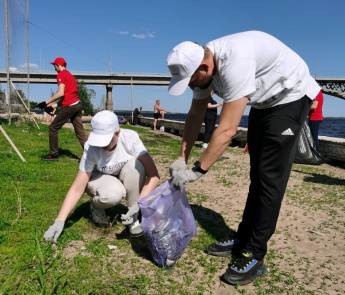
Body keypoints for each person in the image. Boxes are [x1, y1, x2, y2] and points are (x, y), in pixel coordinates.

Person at [166, 31, 320, 285]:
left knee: (269, 179)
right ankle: (243, 237)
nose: (191, 86)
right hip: (264, 103)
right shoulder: (204, 70)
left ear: (204, 67)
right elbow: (195, 115)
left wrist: (197, 169)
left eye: (191, 80)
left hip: (290, 95)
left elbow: (226, 131)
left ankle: (255, 252)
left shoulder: (235, 61)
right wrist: (182, 156)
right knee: (256, 176)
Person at [43, 110, 160, 243]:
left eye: (106, 141)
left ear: (117, 132)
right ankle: (96, 207)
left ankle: (132, 216)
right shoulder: (91, 148)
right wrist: (59, 221)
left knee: (136, 166)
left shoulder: (130, 138)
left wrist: (139, 204)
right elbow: (77, 188)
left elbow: (154, 175)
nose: (103, 146)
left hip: (122, 173)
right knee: (114, 193)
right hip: (99, 178)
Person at [36, 57, 87, 161]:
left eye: (54, 65)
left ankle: (53, 155)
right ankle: (91, 156)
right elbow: (68, 94)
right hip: (77, 105)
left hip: (70, 107)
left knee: (53, 128)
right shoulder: (70, 76)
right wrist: (56, 105)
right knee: (80, 132)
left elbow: (61, 93)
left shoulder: (61, 75)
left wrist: (45, 102)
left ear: (59, 65)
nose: (54, 68)